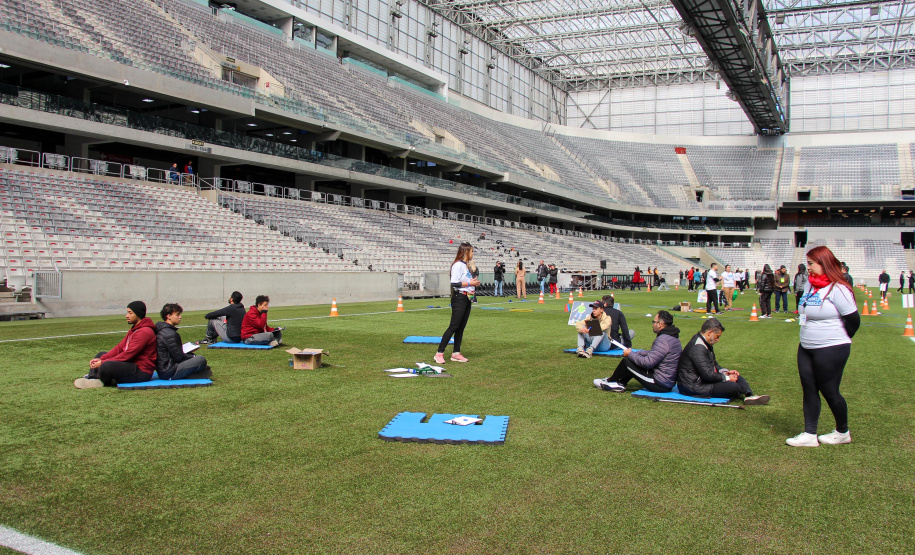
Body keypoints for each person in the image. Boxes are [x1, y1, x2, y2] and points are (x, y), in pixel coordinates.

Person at [787, 246, 859, 447]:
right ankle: (810, 434)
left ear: (823, 263)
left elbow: (853, 321)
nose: (807, 268)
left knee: (829, 390)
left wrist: (837, 339)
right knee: (809, 388)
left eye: (811, 263)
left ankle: (842, 431)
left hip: (832, 347)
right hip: (806, 346)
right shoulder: (810, 286)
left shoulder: (839, 289)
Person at [677, 318, 769, 404]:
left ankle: (749, 396)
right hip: (693, 386)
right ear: (710, 332)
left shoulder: (705, 343)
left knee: (737, 377)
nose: (718, 340)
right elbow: (707, 375)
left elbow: (714, 364)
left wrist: (726, 372)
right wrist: (727, 378)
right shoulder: (698, 348)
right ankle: (742, 392)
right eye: (717, 336)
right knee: (733, 386)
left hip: (702, 380)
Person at [594, 310, 682, 393]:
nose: (652, 324)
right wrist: (637, 353)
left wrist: (630, 354)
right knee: (632, 360)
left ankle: (610, 381)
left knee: (628, 361)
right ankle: (620, 383)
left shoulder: (662, 340)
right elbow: (655, 354)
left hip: (660, 383)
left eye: (654, 322)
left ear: (660, 324)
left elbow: (648, 363)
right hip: (667, 380)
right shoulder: (672, 337)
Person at [75, 301, 156, 388]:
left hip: (141, 371)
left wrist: (102, 362)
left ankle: (100, 379)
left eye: (130, 313)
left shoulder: (144, 332)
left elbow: (128, 354)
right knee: (101, 354)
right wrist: (101, 359)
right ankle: (93, 378)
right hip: (132, 364)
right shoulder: (135, 329)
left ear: (138, 314)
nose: (127, 315)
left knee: (106, 365)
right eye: (127, 312)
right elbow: (120, 347)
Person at [434, 242, 480, 364]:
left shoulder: (465, 266)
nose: (472, 254)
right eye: (471, 251)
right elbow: (454, 283)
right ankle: (439, 353)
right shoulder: (458, 265)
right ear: (466, 252)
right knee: (454, 326)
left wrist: (472, 283)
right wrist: (471, 283)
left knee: (461, 327)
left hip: (466, 298)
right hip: (459, 298)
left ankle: (456, 353)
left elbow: (464, 282)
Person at [155, 303, 209, 380]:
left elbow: (173, 352)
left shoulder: (163, 330)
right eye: (177, 315)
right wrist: (193, 356)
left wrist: (190, 351)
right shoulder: (170, 333)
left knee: (197, 361)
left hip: (165, 368)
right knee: (201, 359)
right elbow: (179, 357)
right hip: (169, 371)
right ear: (169, 316)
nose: (180, 317)